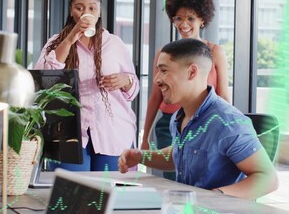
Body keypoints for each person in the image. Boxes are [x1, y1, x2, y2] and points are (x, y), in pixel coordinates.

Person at [119, 38, 278, 199]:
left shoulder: (227, 122)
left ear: (192, 72)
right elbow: (179, 155)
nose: (157, 79)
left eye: (164, 70)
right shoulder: (179, 117)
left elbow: (268, 179)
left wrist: (214, 196)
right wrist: (141, 156)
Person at [35, 0, 139, 171]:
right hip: (68, 130)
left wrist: (125, 81)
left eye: (92, 8)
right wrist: (69, 39)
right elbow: (43, 80)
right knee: (71, 192)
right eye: (80, 8)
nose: (86, 13)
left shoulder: (114, 43)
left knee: (111, 192)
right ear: (71, 11)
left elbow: (133, 87)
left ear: (99, 13)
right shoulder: (56, 42)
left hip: (112, 130)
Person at [141, 0, 230, 180]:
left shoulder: (215, 52)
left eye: (190, 18)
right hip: (167, 124)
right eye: (178, 18)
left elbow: (223, 96)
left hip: (203, 124)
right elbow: (156, 96)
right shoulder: (164, 53)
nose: (184, 24)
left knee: (199, 178)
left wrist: (226, 131)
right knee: (173, 181)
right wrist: (145, 137)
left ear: (202, 19)